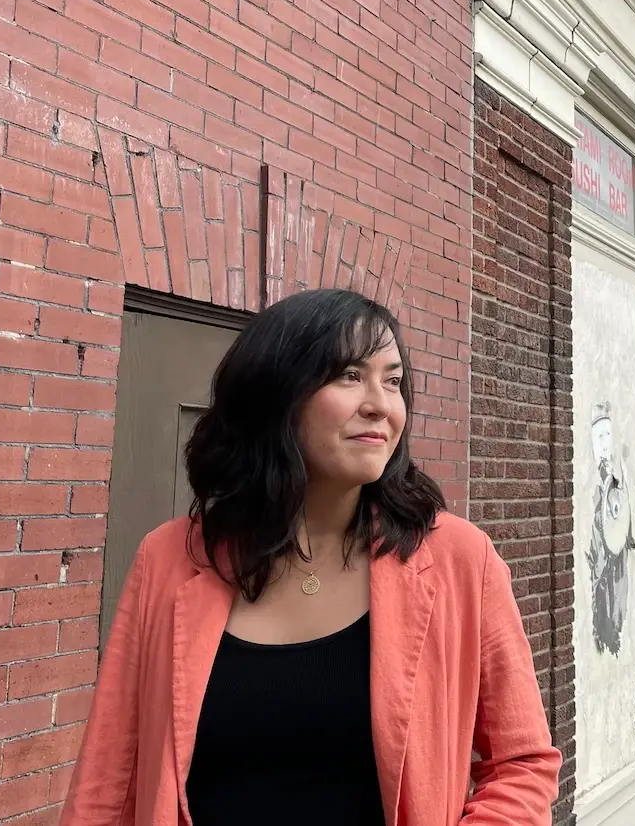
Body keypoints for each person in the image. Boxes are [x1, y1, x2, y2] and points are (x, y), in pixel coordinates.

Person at [60, 289, 560, 826]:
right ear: (275, 393)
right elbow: (107, 780)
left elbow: (523, 763)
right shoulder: (167, 560)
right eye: (348, 375)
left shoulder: (458, 559)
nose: (380, 404)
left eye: (392, 381)